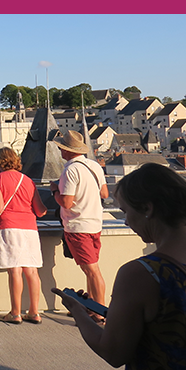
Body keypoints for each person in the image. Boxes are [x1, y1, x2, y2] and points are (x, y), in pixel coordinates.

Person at [53, 163, 186, 369]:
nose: (126, 222)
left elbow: (113, 352)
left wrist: (77, 310)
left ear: (147, 209)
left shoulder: (141, 274)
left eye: (126, 212)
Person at [49, 130, 109, 315]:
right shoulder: (94, 166)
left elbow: (66, 202)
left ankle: (99, 312)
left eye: (61, 148)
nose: (60, 151)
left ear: (67, 151)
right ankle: (92, 307)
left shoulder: (70, 170)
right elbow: (105, 194)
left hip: (78, 226)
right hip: (95, 224)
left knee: (92, 271)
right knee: (90, 269)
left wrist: (54, 191)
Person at [0, 147, 48, 324]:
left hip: (9, 227)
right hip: (29, 228)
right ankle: (34, 312)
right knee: (31, 270)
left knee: (14, 270)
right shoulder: (28, 181)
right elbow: (40, 210)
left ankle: (15, 313)